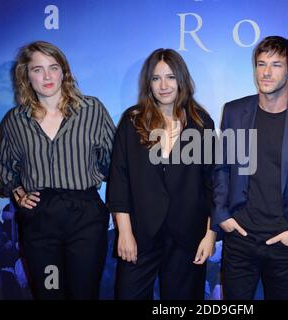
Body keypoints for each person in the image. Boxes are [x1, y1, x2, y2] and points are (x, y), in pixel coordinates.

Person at [0, 41, 115, 299]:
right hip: (40, 220)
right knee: (49, 293)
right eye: (38, 69)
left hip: (85, 216)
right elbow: (4, 164)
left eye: (53, 67)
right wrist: (18, 192)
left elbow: (114, 162)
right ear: (27, 75)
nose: (47, 76)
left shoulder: (91, 110)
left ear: (64, 72)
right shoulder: (16, 120)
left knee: (83, 293)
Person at [212, 36, 288, 300]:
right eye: (261, 64)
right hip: (240, 238)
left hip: (285, 242)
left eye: (276, 65)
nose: (265, 72)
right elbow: (222, 168)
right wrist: (223, 215)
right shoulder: (234, 111)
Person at [106, 48, 216, 300]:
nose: (164, 85)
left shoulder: (201, 124)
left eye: (170, 77)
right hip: (140, 233)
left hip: (188, 236)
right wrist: (124, 233)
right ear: (148, 83)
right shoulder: (132, 121)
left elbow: (213, 184)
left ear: (182, 80)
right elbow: (119, 180)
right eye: (156, 78)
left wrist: (211, 235)